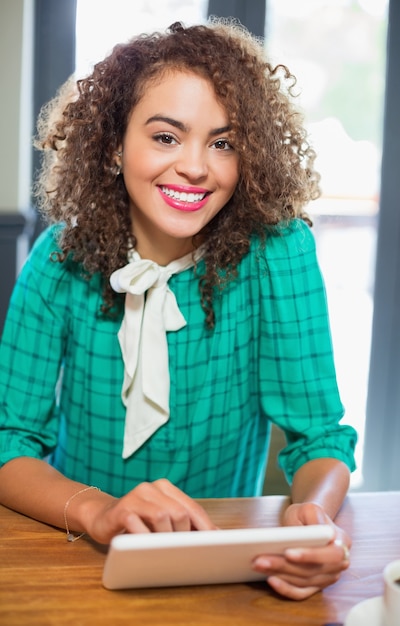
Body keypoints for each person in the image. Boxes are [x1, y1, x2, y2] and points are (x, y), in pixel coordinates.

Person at [0, 19, 357, 600]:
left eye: (223, 143)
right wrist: (98, 513)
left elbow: (319, 439)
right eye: (166, 137)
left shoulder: (279, 254)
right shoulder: (57, 261)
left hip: (225, 569)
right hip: (80, 560)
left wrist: (314, 519)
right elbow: (8, 443)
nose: (196, 166)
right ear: (113, 146)